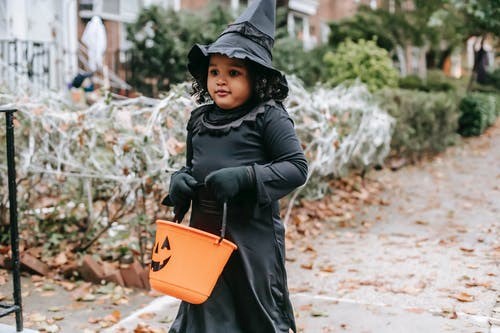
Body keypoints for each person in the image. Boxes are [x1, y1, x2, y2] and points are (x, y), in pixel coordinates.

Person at [162, 0, 308, 332]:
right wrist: (180, 183)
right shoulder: (200, 120)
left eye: (234, 72)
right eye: (214, 71)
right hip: (204, 240)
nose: (221, 81)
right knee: (204, 315)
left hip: (251, 245)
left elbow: (297, 167)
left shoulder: (269, 116)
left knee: (253, 317)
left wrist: (246, 177)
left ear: (255, 78)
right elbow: (193, 168)